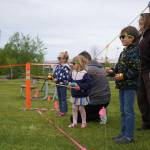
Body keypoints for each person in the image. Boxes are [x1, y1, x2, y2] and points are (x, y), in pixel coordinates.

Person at [106, 26, 140, 144]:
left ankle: (129, 137)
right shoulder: (123, 52)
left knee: (128, 111)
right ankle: (123, 134)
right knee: (123, 111)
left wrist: (123, 76)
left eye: (123, 36)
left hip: (130, 86)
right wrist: (111, 71)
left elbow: (136, 70)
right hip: (122, 86)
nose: (121, 39)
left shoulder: (135, 51)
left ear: (131, 38)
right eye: (120, 36)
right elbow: (118, 69)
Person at [70, 51, 110, 123]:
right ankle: (101, 111)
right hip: (106, 100)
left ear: (84, 59)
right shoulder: (100, 67)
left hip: (95, 101)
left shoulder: (88, 69)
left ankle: (98, 115)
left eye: (79, 60)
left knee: (74, 117)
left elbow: (78, 81)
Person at [68, 55, 91, 128]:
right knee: (74, 108)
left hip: (82, 95)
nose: (72, 65)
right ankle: (74, 123)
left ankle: (84, 122)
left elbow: (88, 84)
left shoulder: (85, 73)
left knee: (81, 108)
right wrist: (69, 84)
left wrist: (80, 87)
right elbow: (70, 80)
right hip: (74, 94)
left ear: (79, 64)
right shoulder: (73, 72)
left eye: (74, 63)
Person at [137, 13, 150, 130]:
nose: (139, 21)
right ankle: (146, 123)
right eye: (139, 19)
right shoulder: (141, 35)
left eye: (142, 19)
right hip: (140, 71)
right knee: (141, 97)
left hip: (148, 70)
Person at [53, 51, 70, 116]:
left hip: (63, 85)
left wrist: (57, 79)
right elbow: (55, 74)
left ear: (65, 59)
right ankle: (61, 111)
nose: (60, 60)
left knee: (63, 98)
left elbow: (66, 77)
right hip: (58, 84)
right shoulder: (58, 66)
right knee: (59, 98)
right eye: (59, 58)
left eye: (61, 58)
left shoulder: (66, 67)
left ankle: (64, 111)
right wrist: (53, 77)